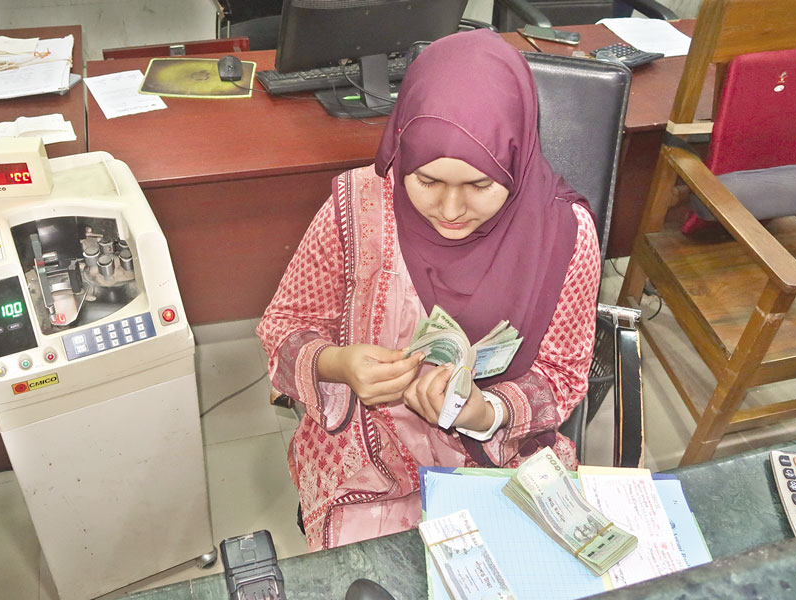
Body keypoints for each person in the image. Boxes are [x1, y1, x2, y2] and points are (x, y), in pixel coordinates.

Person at [256, 28, 600, 552]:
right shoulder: (357, 208)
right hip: (368, 457)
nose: (450, 209)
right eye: (427, 181)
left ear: (518, 156)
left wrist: (488, 412)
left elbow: (563, 374)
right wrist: (338, 364)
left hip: (500, 455)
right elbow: (284, 324)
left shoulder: (565, 235)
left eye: (480, 185)